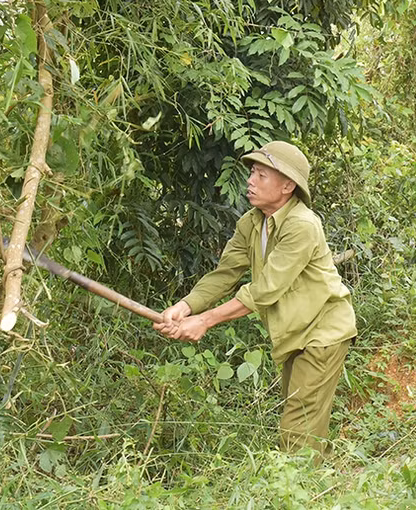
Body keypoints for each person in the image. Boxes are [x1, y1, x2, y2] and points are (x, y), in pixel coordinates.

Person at [153, 141, 357, 454]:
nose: (250, 181)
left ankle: (298, 493)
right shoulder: (251, 222)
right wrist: (184, 307)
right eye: (252, 173)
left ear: (288, 185)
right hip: (294, 334)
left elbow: (264, 290)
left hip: (322, 333)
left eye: (262, 175)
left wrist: (205, 321)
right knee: (305, 425)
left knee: (298, 430)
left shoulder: (301, 225)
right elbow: (225, 274)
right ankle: (317, 487)